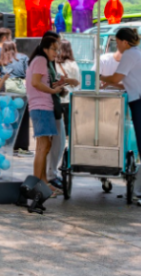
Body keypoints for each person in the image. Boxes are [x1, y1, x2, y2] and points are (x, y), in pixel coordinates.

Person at [100, 28, 141, 207]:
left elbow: (115, 78)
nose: (117, 45)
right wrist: (109, 82)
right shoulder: (137, 54)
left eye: (118, 41)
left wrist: (98, 76)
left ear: (125, 42)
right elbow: (125, 82)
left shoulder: (129, 54)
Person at [26, 32, 78, 196]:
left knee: (45, 146)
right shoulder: (41, 60)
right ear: (46, 48)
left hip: (43, 107)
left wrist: (57, 86)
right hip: (41, 107)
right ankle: (37, 185)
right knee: (43, 147)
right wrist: (53, 90)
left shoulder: (40, 60)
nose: (56, 53)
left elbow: (39, 82)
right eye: (54, 49)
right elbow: (35, 83)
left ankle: (43, 183)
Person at [48, 40, 80, 189]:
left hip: (56, 102)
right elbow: (78, 83)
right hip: (67, 101)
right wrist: (68, 82)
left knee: (55, 139)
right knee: (62, 138)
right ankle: (51, 172)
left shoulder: (53, 64)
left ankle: (50, 171)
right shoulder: (73, 65)